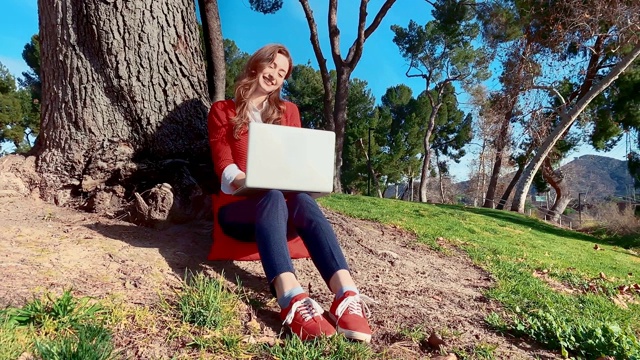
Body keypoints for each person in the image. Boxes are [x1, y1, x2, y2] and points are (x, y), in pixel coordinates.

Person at [207, 44, 373, 342]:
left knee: (302, 198)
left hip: (282, 211)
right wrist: (250, 179)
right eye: (271, 66)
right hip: (239, 209)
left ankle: (347, 295)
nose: (275, 75)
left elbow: (294, 163)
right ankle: (291, 298)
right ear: (256, 65)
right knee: (270, 193)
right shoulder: (223, 111)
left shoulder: (288, 112)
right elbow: (224, 165)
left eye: (282, 73)